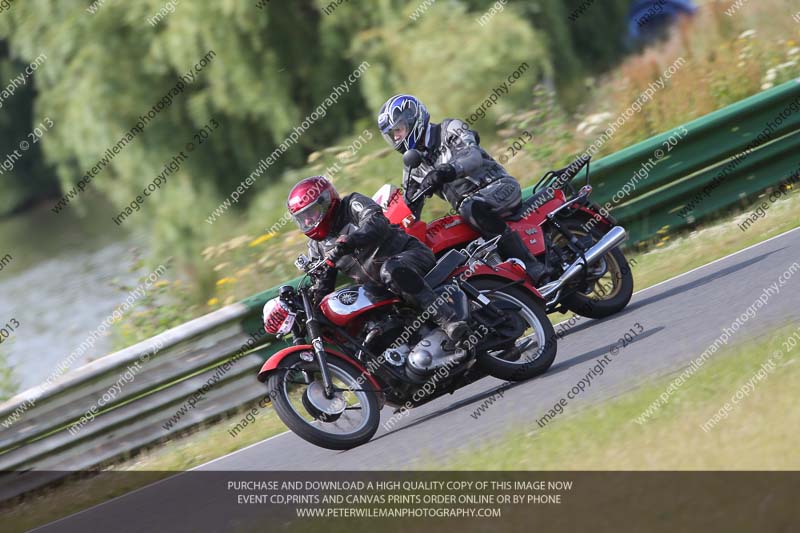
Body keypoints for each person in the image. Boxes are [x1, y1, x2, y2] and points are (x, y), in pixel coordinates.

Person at [377, 94, 550, 284]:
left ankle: (530, 265)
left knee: (471, 207)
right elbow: (409, 205)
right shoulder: (413, 167)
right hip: (468, 208)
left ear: (412, 119)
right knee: (442, 229)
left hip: (499, 187)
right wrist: (390, 227)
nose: (396, 137)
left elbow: (473, 156)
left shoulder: (449, 129)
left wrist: (447, 170)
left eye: (398, 130)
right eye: (392, 134)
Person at [287, 175, 469, 341]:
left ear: (326, 202)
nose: (308, 222)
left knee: (391, 270)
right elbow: (323, 285)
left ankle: (448, 320)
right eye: (303, 218)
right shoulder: (317, 247)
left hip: (409, 256)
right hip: (378, 288)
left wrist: (352, 240)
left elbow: (376, 221)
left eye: (311, 213)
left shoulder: (352, 204)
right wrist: (308, 309)